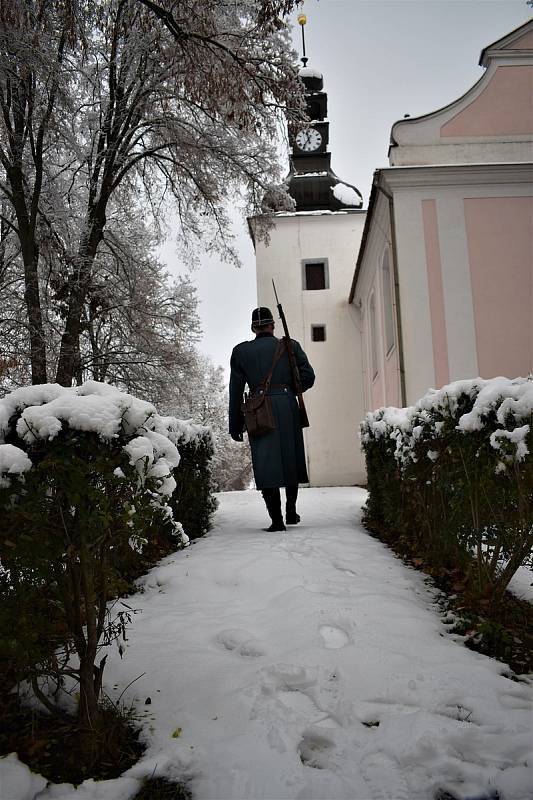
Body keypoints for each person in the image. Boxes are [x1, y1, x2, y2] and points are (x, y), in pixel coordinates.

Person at [229, 306, 315, 531]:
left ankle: (276, 520)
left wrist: (235, 424)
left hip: (259, 409)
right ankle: (291, 512)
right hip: (287, 405)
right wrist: (290, 389)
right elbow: (308, 377)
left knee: (266, 462)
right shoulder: (290, 346)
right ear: (272, 325)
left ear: (253, 328)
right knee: (290, 457)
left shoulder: (241, 352)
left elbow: (236, 391)